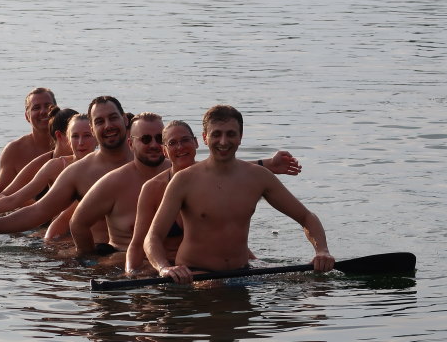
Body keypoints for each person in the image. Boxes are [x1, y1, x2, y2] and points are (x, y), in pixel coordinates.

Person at [144, 105, 335, 284]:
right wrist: (164, 268)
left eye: (231, 134)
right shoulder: (183, 181)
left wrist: (322, 251)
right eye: (216, 134)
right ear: (204, 138)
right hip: (196, 276)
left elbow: (306, 216)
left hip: (244, 273)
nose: (223, 142)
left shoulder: (259, 177)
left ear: (241, 136)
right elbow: (153, 237)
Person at [0, 96, 133, 244]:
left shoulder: (149, 164)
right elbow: (31, 207)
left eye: (113, 118)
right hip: (96, 252)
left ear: (125, 120)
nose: (108, 126)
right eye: (100, 121)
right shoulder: (70, 170)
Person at [125, 120, 302, 275]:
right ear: (165, 150)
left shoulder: (215, 176)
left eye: (185, 140)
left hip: (227, 263)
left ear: (196, 143)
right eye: (172, 143)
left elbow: (239, 169)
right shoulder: (152, 188)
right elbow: (137, 244)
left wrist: (269, 164)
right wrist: (132, 274)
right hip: (178, 269)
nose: (180, 147)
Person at [0, 113, 97, 240]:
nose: (81, 142)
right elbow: (14, 199)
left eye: (87, 136)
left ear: (96, 136)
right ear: (66, 139)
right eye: (75, 136)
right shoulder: (55, 165)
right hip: (55, 235)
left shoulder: (108, 169)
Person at [70, 112, 170, 256]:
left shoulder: (180, 174)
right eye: (145, 139)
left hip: (174, 264)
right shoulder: (114, 182)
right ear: (131, 144)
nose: (154, 145)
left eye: (160, 138)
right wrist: (91, 261)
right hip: (126, 263)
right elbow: (77, 224)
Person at [0, 87, 57, 202]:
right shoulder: (14, 150)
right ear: (27, 117)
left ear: (57, 110)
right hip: (27, 216)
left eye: (47, 106)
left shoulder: (73, 143)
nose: (43, 111)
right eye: (36, 108)